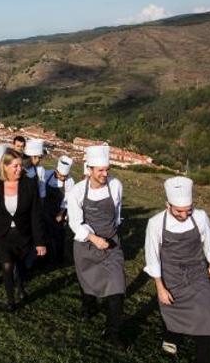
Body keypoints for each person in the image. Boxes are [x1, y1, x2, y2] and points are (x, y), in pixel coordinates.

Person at [144, 176, 210, 363]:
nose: (185, 215)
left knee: (206, 312)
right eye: (179, 211)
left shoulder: (200, 217)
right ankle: (171, 336)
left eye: (188, 210)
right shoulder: (155, 223)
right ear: (167, 205)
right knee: (172, 309)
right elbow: (152, 256)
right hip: (170, 274)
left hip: (196, 271)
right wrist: (160, 287)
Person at [67, 145, 125, 346]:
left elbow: (117, 212)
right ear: (89, 170)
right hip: (86, 246)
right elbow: (74, 222)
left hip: (111, 244)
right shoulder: (76, 191)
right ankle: (88, 306)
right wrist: (93, 237)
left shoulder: (116, 185)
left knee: (117, 289)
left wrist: (111, 235)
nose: (105, 174)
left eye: (107, 169)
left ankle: (113, 332)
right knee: (88, 282)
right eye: (100, 170)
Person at [0, 148, 46, 312]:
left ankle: (20, 286)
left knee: (20, 265)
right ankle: (11, 302)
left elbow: (35, 215)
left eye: (20, 165)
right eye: (15, 166)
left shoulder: (29, 184)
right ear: (5, 166)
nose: (19, 169)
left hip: (23, 234)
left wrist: (39, 242)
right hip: (1, 234)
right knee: (7, 265)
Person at [43, 156, 74, 265]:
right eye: (61, 175)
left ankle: (58, 258)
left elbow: (67, 200)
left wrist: (61, 213)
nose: (63, 178)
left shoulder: (70, 181)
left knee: (58, 235)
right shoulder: (47, 174)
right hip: (45, 209)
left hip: (59, 210)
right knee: (45, 233)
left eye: (65, 176)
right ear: (56, 171)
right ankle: (45, 258)